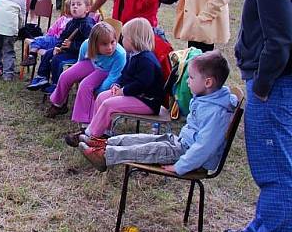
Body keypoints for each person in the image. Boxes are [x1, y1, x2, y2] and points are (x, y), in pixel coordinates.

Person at [229, 0, 292, 232]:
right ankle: (262, 230)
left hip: (275, 84)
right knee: (273, 165)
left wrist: (264, 84)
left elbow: (280, 39)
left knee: (276, 169)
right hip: (277, 81)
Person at [79, 51, 236, 176]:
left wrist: (180, 167)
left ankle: (106, 156)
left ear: (208, 82)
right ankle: (105, 143)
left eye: (191, 78)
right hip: (181, 143)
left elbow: (204, 148)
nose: (188, 81)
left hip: (187, 156)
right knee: (141, 139)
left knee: (147, 150)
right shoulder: (207, 98)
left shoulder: (217, 113)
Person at [68, 18, 164, 147]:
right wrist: (117, 84)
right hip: (136, 96)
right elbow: (124, 74)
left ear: (135, 40)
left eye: (124, 37)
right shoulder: (134, 55)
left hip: (148, 101)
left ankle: (91, 135)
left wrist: (122, 91)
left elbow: (141, 84)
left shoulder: (146, 60)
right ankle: (102, 132)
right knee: (102, 97)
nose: (122, 40)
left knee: (109, 104)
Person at [46, 21, 126, 119]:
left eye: (112, 42)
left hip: (106, 71)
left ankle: (86, 121)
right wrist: (77, 75)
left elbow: (113, 77)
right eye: (104, 44)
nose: (110, 47)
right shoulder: (86, 45)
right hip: (92, 63)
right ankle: (58, 104)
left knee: (85, 86)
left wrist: (99, 92)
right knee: (65, 76)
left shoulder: (120, 54)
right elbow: (81, 61)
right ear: (94, 44)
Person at [27, 0, 95, 93]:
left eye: (79, 4)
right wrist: (58, 47)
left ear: (87, 9)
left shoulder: (88, 24)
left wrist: (72, 45)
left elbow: (89, 45)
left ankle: (56, 84)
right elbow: (62, 37)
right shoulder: (71, 22)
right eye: (73, 4)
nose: (75, 6)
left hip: (78, 54)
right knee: (48, 53)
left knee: (57, 60)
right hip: (66, 50)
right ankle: (42, 77)